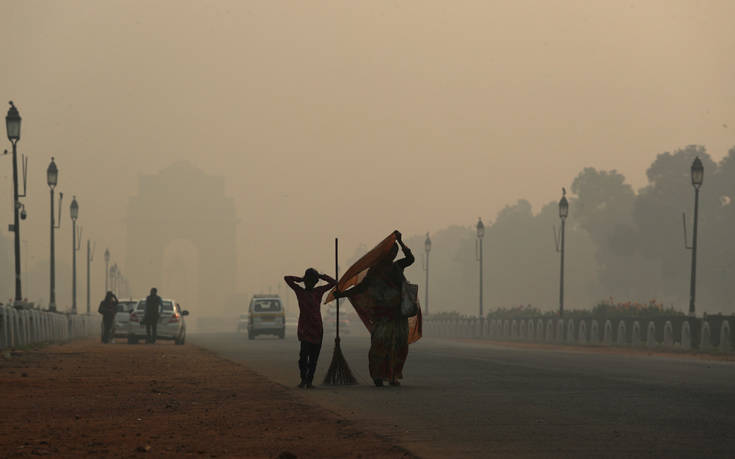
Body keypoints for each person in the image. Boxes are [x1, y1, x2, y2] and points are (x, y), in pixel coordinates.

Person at [335, 230, 414, 387]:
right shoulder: (375, 271)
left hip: (398, 313)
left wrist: (400, 241)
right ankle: (378, 376)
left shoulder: (397, 267)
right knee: (379, 344)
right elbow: (361, 288)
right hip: (383, 314)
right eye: (391, 252)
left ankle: (393, 376)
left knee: (399, 345)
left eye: (395, 252)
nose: (393, 255)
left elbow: (410, 259)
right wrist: (342, 294)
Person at [284, 268, 337, 388]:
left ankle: (309, 381)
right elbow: (287, 278)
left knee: (313, 358)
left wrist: (321, 275)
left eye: (313, 280)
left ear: (315, 282)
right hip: (305, 328)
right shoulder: (299, 291)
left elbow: (335, 283)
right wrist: (301, 279)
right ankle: (303, 379)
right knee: (303, 356)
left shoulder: (318, 291)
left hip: (317, 328)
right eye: (308, 280)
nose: (310, 283)